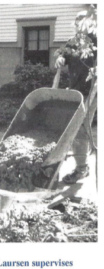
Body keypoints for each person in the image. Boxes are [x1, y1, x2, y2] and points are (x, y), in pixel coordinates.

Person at [55, 9, 97, 184]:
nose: (79, 27)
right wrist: (59, 59)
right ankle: (82, 166)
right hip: (75, 91)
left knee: (80, 129)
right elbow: (60, 53)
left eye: (82, 23)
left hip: (92, 91)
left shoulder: (97, 41)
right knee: (76, 129)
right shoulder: (73, 42)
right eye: (77, 23)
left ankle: (81, 169)